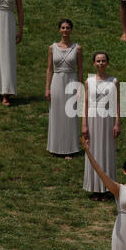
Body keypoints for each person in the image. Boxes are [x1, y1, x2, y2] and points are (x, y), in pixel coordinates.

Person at [82, 52, 120, 201]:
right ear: (93, 63)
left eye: (103, 61)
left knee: (107, 151)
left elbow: (117, 103)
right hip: (92, 119)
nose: (101, 63)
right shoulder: (88, 81)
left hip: (108, 119)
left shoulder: (113, 81)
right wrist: (84, 124)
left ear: (107, 63)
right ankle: (95, 188)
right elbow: (85, 104)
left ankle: (107, 189)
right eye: (98, 61)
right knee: (93, 151)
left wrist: (117, 123)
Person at [46, 19, 82, 159]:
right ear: (59, 30)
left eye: (68, 28)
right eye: (63, 28)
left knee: (70, 115)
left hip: (71, 80)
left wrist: (79, 87)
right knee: (56, 114)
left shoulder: (77, 48)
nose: (65, 30)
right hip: (57, 81)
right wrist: (47, 88)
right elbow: (49, 69)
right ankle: (55, 147)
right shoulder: (52, 48)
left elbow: (80, 69)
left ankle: (69, 149)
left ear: (71, 30)